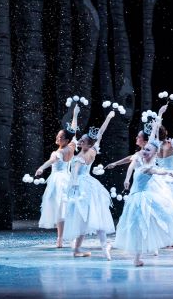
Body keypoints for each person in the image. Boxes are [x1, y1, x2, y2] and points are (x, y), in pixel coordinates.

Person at [114, 140, 173, 267]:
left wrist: (167, 172)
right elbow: (131, 165)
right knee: (137, 227)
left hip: (146, 198)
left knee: (169, 219)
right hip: (135, 200)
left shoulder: (149, 167)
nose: (144, 151)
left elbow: (157, 171)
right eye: (144, 149)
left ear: (154, 154)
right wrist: (126, 178)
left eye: (148, 150)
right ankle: (137, 258)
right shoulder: (139, 161)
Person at [63, 110, 116, 259]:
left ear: (88, 143)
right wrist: (108, 118)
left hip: (82, 187)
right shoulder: (93, 149)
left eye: (82, 141)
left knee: (88, 216)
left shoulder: (80, 157)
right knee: (91, 216)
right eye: (80, 140)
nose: (79, 142)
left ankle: (100, 246)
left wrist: (72, 188)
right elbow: (101, 133)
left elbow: (74, 174)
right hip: (90, 185)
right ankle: (85, 248)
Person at [34, 103, 79, 247]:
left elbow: (52, 160)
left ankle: (60, 239)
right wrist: (75, 115)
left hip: (58, 180)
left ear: (66, 140)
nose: (58, 138)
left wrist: (41, 167)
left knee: (60, 209)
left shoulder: (59, 152)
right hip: (69, 178)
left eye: (60, 137)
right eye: (58, 136)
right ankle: (67, 237)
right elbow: (73, 132)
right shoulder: (72, 146)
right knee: (66, 209)